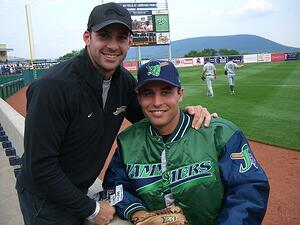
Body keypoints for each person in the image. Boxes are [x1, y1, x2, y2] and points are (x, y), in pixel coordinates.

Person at [15, 3, 216, 225]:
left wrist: (190, 113)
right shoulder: (52, 88)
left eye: (121, 37)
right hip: (44, 199)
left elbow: (155, 117)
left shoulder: (123, 82)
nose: (112, 45)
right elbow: (40, 167)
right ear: (87, 37)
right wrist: (90, 209)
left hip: (78, 188)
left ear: (130, 41)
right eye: (104, 35)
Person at [103, 60, 270, 225]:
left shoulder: (220, 133)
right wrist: (138, 213)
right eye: (148, 93)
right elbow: (114, 186)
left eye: (166, 92)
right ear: (138, 98)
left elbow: (249, 189)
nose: (157, 102)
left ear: (180, 94)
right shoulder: (128, 142)